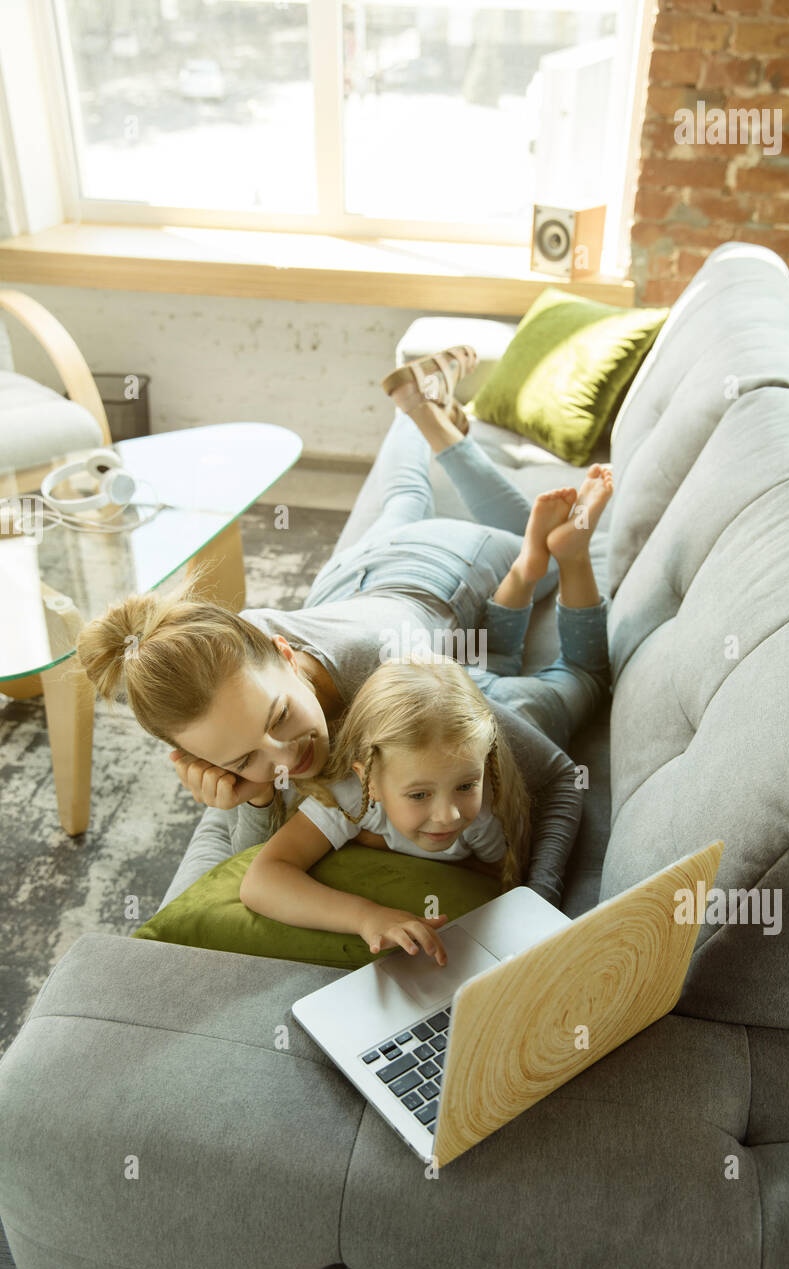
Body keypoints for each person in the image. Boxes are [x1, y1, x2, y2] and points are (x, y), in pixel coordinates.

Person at [74, 346, 611, 910]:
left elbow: (554, 778)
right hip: (347, 582)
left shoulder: (392, 678)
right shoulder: (229, 666)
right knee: (403, 496)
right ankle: (417, 405)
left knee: (545, 557)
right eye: (242, 761)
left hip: (435, 572)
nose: (281, 761)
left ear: (283, 654)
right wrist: (252, 800)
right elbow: (255, 872)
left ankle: (434, 423)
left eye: (281, 718)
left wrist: (533, 912)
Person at [238, 472, 614, 964]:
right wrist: (368, 915)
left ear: (486, 768)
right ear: (367, 780)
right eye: (418, 795)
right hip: (449, 698)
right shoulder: (351, 800)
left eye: (465, 786)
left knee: (585, 676)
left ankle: (571, 556)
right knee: (492, 658)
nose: (449, 816)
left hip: (521, 709)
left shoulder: (481, 811)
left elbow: (496, 876)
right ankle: (528, 564)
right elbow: (261, 880)